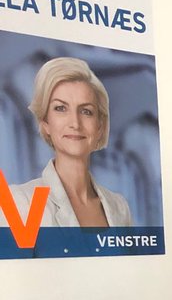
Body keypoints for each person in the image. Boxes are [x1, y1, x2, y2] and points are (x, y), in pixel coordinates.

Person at [4, 57, 132, 228]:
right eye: (61, 108)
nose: (75, 123)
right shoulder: (19, 202)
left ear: (99, 126)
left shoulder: (119, 207)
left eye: (86, 111)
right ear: (45, 123)